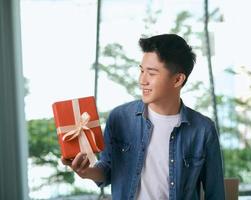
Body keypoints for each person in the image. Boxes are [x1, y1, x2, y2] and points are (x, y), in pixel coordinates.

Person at [62, 34, 225, 200]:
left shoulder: (203, 130)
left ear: (177, 79)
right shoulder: (119, 118)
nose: (142, 80)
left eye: (151, 73)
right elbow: (107, 170)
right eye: (141, 71)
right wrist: (85, 171)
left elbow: (215, 193)